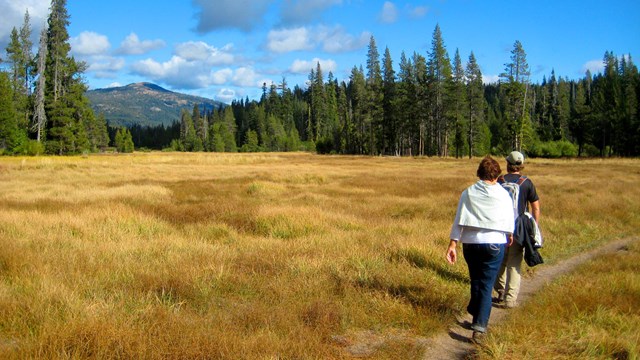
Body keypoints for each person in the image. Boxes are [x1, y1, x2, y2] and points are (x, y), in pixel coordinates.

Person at [446, 156, 514, 342]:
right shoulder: (503, 194)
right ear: (497, 174)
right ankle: (480, 327)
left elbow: (459, 218)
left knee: (476, 280)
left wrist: (453, 244)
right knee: (485, 284)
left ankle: (475, 312)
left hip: (471, 243)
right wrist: (509, 234)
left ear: (479, 173)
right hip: (494, 243)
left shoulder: (468, 193)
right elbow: (510, 218)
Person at [493, 151, 541, 308]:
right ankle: (510, 299)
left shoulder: (499, 181)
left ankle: (499, 290)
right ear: (521, 166)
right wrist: (534, 227)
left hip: (499, 227)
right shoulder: (526, 182)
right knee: (514, 263)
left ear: (508, 164)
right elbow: (535, 207)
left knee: (499, 261)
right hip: (518, 228)